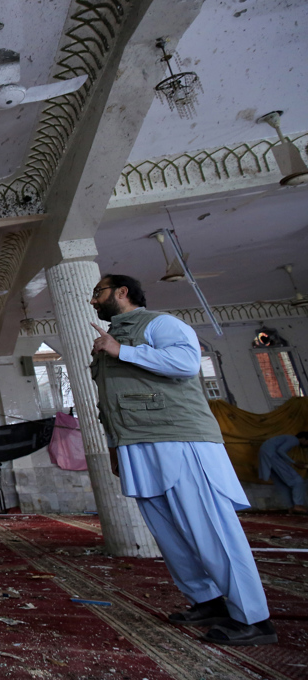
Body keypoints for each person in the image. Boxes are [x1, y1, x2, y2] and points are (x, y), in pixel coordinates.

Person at [89, 274, 275, 646]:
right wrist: (113, 446)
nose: (93, 302)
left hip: (179, 437)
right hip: (136, 443)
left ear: (122, 293)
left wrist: (120, 351)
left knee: (210, 527)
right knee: (168, 533)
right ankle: (206, 600)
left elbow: (187, 362)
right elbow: (109, 400)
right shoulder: (111, 340)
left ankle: (253, 618)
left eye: (98, 293)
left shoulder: (160, 323)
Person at [258, 432, 308, 514]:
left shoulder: (286, 438)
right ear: (304, 439)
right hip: (272, 457)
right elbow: (280, 450)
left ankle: (291, 506)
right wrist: (294, 463)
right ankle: (298, 505)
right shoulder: (294, 439)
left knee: (282, 484)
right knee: (297, 481)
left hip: (267, 457)